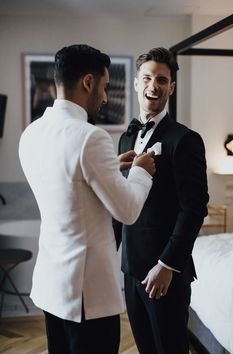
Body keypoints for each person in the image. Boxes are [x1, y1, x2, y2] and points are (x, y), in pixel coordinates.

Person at [18, 44, 156, 354]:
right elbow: (128, 210)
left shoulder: (32, 133)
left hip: (52, 285)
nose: (106, 97)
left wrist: (109, 167)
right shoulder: (90, 137)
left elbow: (68, 185)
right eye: (105, 87)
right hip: (86, 295)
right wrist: (140, 172)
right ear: (88, 82)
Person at [113, 47, 209, 354]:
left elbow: (194, 208)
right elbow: (121, 201)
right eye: (148, 78)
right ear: (137, 83)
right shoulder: (126, 138)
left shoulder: (185, 139)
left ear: (171, 87)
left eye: (162, 79)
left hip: (165, 272)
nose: (154, 85)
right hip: (131, 268)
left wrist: (167, 264)